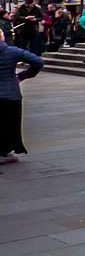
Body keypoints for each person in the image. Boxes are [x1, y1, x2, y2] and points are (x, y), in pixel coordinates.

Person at [0, 35, 44, 164]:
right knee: (10, 123)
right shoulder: (13, 51)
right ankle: (4, 152)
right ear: (2, 37)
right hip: (11, 93)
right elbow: (39, 61)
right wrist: (23, 75)